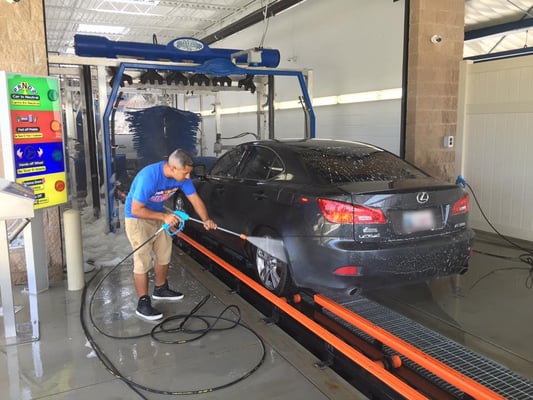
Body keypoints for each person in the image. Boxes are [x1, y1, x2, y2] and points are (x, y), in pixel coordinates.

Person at [124, 149, 217, 321]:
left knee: (164, 254)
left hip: (159, 216)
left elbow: (195, 199)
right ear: (173, 168)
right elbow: (136, 209)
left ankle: (160, 288)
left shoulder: (182, 178)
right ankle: (143, 303)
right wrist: (164, 216)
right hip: (137, 219)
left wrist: (206, 220)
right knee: (143, 260)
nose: (188, 177)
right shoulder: (149, 177)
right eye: (186, 173)